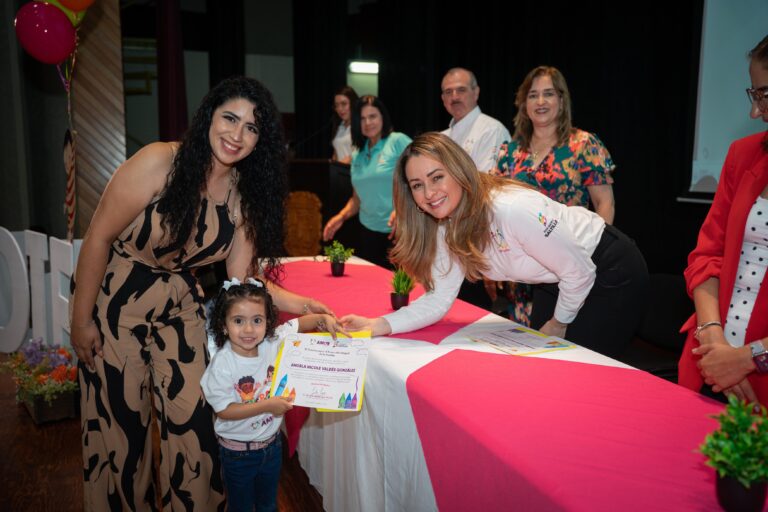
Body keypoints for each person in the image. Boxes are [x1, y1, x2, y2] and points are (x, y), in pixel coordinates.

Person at [69, 76, 330, 511]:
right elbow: (97, 237)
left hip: (179, 302)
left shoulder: (242, 196)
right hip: (117, 297)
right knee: (123, 432)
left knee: (196, 424)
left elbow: (245, 284)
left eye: (251, 128)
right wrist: (80, 322)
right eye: (230, 118)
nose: (237, 134)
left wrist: (307, 306)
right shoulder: (159, 161)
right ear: (209, 116)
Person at [340, 132, 648, 358]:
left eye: (437, 178)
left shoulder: (511, 208)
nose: (429, 193)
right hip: (559, 278)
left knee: (581, 364)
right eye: (418, 186)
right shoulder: (444, 225)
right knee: (550, 364)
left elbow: (579, 271)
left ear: (459, 171)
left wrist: (558, 323)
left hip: (608, 267)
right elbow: (438, 300)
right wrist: (377, 324)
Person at [201, 277, 344, 512]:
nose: (248, 329)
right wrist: (267, 406)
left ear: (267, 322)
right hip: (237, 455)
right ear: (224, 325)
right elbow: (224, 410)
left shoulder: (271, 342)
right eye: (238, 321)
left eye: (257, 320)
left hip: (271, 447)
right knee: (242, 507)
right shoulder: (222, 365)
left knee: (268, 505)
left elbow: (298, 324)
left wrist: (322, 319)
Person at [679, 35, 768, 406]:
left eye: (764, 95)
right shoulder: (743, 154)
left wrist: (748, 359)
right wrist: (713, 337)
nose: (755, 111)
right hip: (707, 361)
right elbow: (707, 255)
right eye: (754, 95)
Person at [494, 65, 616, 325]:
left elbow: (604, 203)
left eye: (548, 94)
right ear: (523, 103)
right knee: (524, 348)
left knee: (560, 344)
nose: (540, 101)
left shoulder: (584, 145)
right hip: (522, 273)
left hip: (569, 266)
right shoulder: (509, 151)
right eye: (533, 95)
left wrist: (592, 256)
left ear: (561, 101)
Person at [322, 95, 411, 268]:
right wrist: (341, 217)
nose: (368, 122)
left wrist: (404, 210)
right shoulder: (357, 153)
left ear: (383, 118)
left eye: (372, 116)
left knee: (400, 291)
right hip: (367, 232)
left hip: (399, 232)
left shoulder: (397, 141)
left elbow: (421, 178)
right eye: (362, 118)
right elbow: (357, 198)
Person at [440, 67, 511, 173]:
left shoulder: (491, 130)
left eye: (461, 90)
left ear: (476, 93)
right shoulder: (441, 138)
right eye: (448, 92)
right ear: (443, 99)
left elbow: (489, 182)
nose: (454, 97)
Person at [331, 86, 359, 164]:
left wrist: (339, 166)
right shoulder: (339, 126)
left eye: (344, 104)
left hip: (354, 173)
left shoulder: (362, 126)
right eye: (337, 105)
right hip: (339, 173)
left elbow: (358, 155)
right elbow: (336, 153)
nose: (340, 109)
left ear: (353, 103)